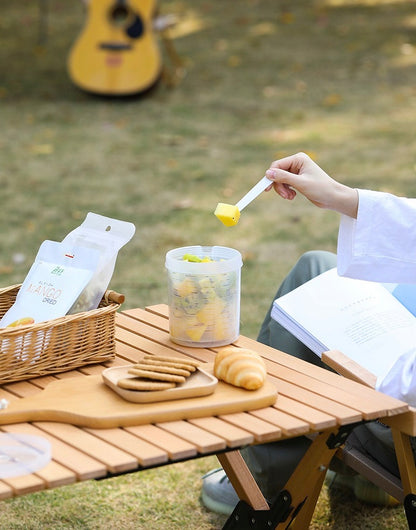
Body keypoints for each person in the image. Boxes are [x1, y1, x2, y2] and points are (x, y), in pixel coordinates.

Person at [201, 152, 416, 515]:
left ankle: (265, 488)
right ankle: (359, 478)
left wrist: (365, 367)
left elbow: (405, 387)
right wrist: (342, 195)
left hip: (403, 425)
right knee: (318, 266)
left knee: (307, 295)